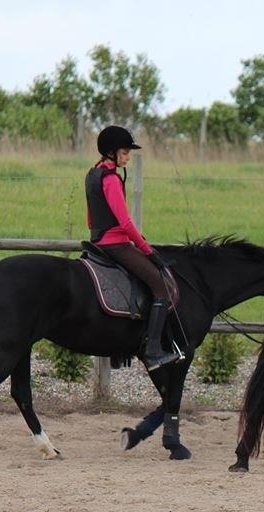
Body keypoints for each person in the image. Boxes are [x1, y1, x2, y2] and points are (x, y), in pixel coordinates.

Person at [86, 125, 181, 370]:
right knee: (161, 288)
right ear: (111, 153)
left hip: (97, 243)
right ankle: (152, 350)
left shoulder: (92, 174)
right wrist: (147, 249)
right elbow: (126, 222)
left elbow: (90, 219)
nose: (128, 157)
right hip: (116, 245)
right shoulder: (111, 180)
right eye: (125, 153)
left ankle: (121, 346)